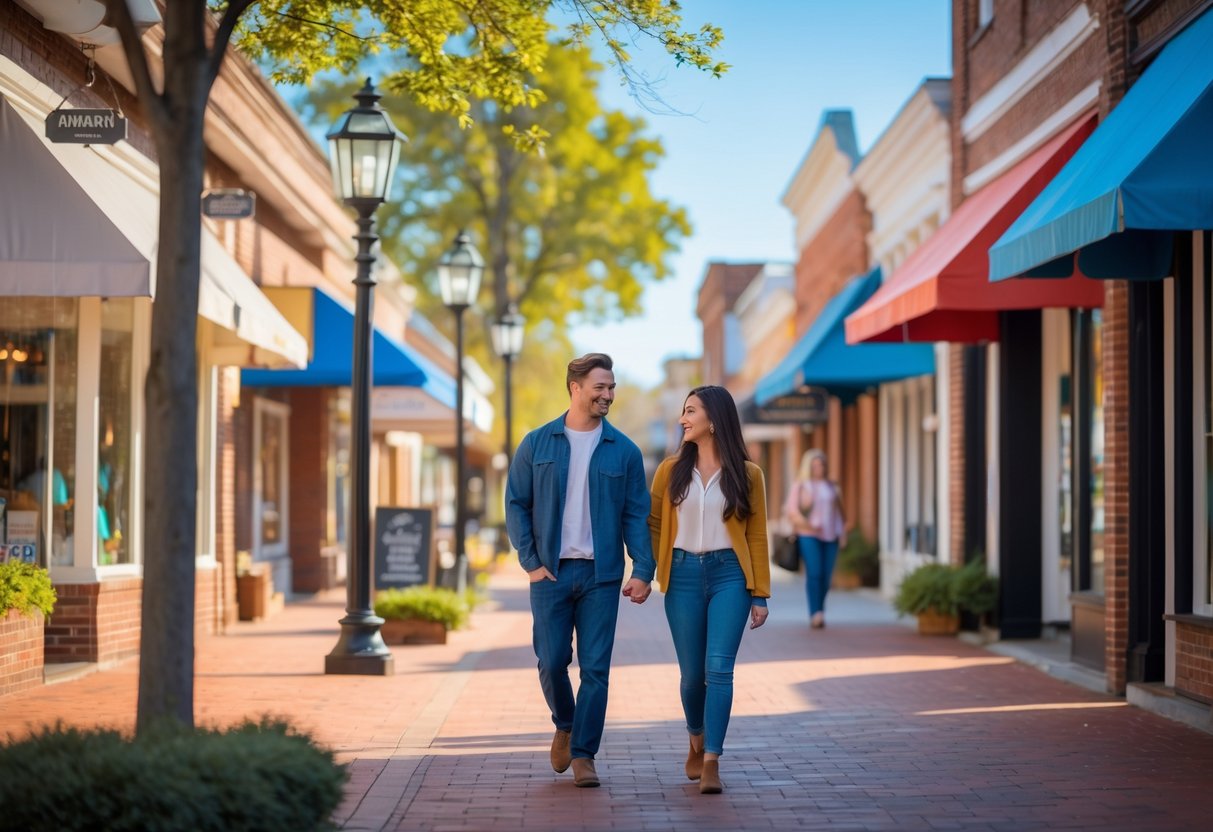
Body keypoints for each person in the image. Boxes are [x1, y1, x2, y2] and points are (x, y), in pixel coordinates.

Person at [505, 353, 655, 789]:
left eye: (611, 387)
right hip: (550, 573)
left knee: (596, 668)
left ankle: (585, 753)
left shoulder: (624, 451)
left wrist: (643, 568)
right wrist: (530, 561)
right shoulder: (537, 443)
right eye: (600, 387)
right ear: (575, 388)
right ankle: (565, 724)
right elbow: (516, 502)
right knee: (551, 661)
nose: (608, 395)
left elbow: (635, 514)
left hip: (601, 576)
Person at [648, 385, 770, 795]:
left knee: (719, 669)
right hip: (681, 575)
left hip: (730, 575)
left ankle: (713, 759)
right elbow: (654, 525)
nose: (683, 419)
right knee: (691, 677)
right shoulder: (670, 471)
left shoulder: (748, 475)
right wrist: (644, 571)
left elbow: (756, 535)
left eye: (690, 411)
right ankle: (696, 739)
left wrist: (760, 592)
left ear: (714, 420)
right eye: (683, 412)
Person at [785, 449, 847, 629]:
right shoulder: (801, 485)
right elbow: (792, 511)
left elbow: (839, 514)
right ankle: (815, 613)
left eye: (821, 464)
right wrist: (808, 525)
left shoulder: (832, 486)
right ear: (808, 467)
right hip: (808, 535)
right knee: (815, 573)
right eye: (815, 465)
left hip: (831, 536)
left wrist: (842, 534)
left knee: (827, 577)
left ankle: (820, 608)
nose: (819, 468)